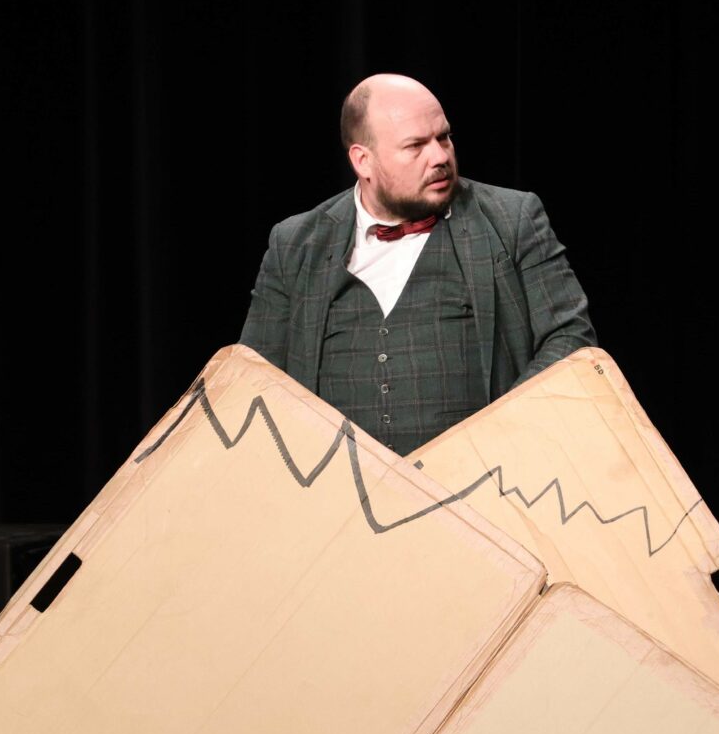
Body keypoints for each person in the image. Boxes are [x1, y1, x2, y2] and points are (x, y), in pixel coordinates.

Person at [239, 74, 596, 454]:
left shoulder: (512, 220)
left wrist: (498, 437)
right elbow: (253, 378)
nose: (440, 157)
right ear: (363, 160)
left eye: (444, 137)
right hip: (337, 482)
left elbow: (571, 342)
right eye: (415, 146)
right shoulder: (296, 244)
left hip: (485, 475)